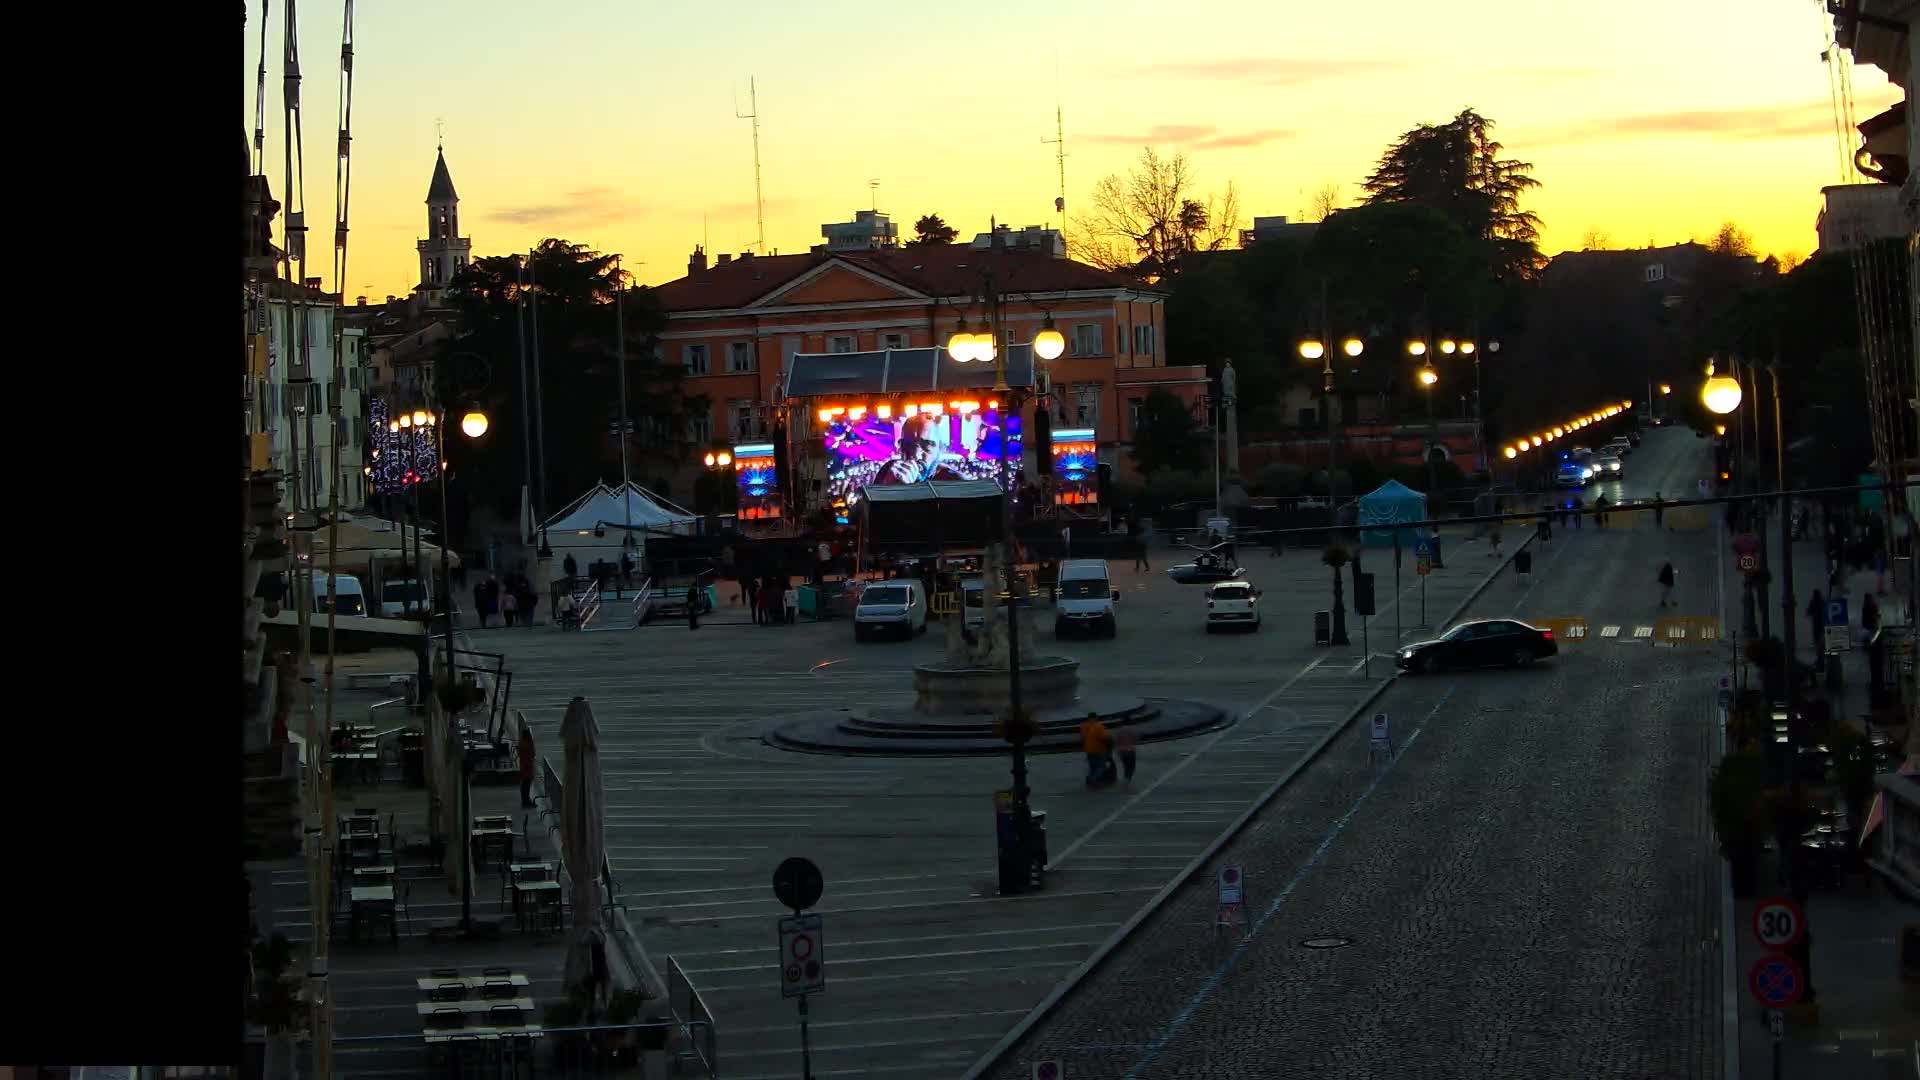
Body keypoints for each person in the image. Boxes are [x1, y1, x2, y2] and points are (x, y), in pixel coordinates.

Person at [874, 415, 963, 485]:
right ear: (901, 447)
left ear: (940, 449)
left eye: (927, 446)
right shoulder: (889, 470)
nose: (916, 455)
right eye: (909, 444)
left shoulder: (955, 483)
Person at [1079, 712, 1112, 788]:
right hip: (1099, 749)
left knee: (1092, 767)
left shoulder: (1083, 726)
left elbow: (1082, 739)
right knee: (1101, 767)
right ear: (1095, 717)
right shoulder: (1099, 726)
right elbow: (1104, 737)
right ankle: (1093, 780)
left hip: (1088, 750)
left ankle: (1090, 779)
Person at [518, 724, 537, 808]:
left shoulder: (522, 743)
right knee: (527, 785)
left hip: (523, 767)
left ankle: (524, 800)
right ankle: (526, 801)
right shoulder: (528, 744)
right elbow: (533, 753)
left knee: (524, 785)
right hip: (527, 767)